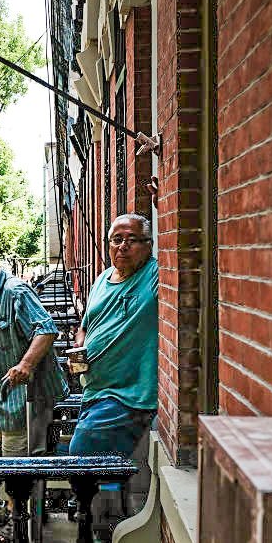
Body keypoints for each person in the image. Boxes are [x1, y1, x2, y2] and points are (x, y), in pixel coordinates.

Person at [0, 252, 68, 543]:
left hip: (27, 398)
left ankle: (20, 521)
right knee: (11, 458)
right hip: (5, 397)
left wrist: (26, 364)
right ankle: (13, 508)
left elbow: (46, 329)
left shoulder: (15, 292)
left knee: (19, 462)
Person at [69, 214, 158, 511]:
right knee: (95, 467)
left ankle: (95, 531)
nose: (122, 247)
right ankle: (102, 520)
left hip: (129, 394)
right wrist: (81, 341)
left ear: (149, 244)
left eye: (131, 240)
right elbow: (85, 323)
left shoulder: (156, 275)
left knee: (81, 453)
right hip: (94, 389)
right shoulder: (101, 280)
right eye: (116, 240)